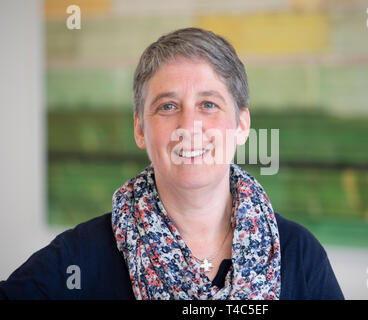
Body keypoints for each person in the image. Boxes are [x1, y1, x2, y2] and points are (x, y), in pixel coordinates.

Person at [0, 27, 344, 300]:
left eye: (208, 104)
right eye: (167, 106)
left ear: (241, 125)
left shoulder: (298, 255)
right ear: (139, 128)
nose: (188, 126)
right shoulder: (78, 258)